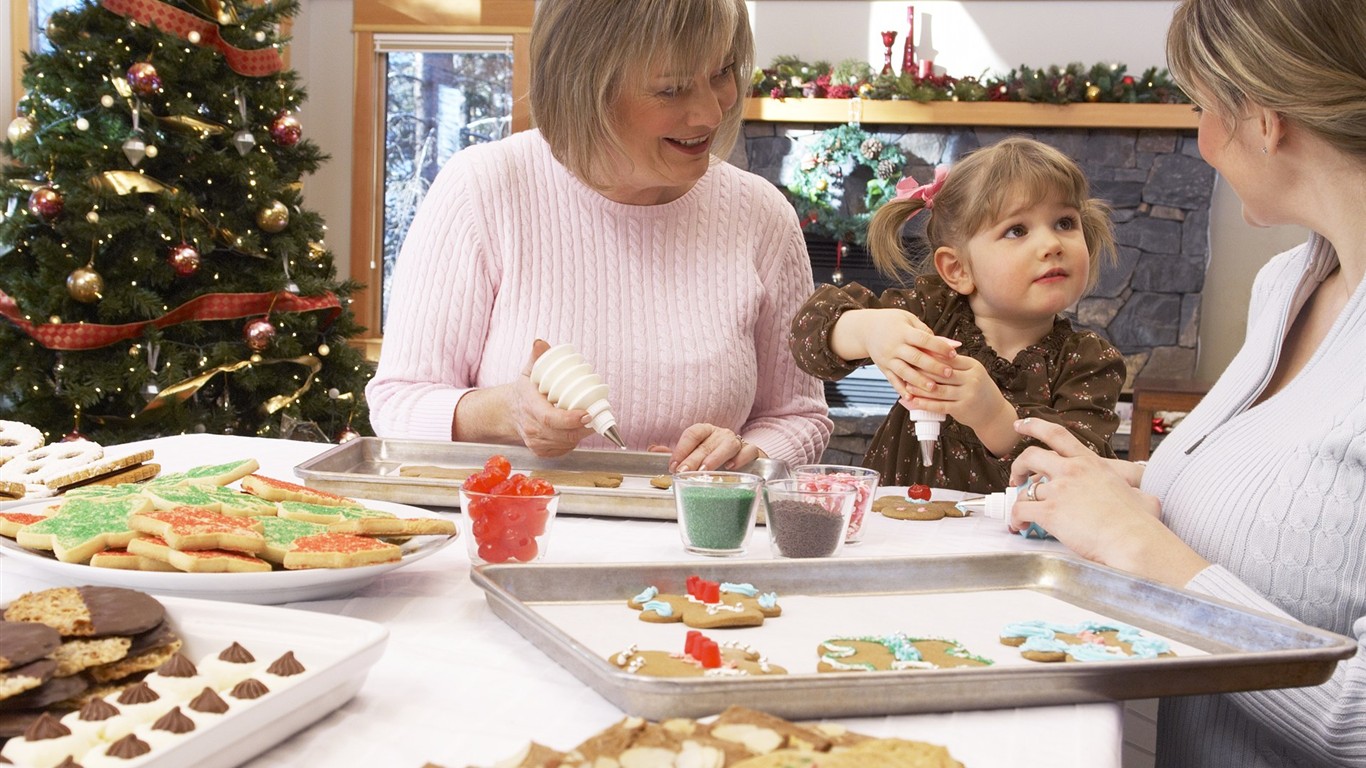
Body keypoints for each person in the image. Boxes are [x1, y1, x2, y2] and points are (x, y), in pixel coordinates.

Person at [1007, 0, 1366, 764]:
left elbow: (1356, 719)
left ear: (1264, 117)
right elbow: (1301, 498)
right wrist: (1113, 480)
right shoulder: (1290, 283)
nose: (1201, 141)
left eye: (1204, 109)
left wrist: (1138, 544)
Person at [365, 0, 831, 472]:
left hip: (698, 542)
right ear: (583, 88)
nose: (711, 112)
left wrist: (751, 456)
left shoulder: (761, 215)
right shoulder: (484, 188)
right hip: (516, 535)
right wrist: (507, 412)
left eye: (722, 72)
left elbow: (799, 416)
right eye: (671, 89)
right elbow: (398, 402)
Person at [789, 137, 1125, 492]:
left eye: (1065, 223)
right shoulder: (932, 313)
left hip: (1014, 542)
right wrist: (868, 331)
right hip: (902, 529)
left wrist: (995, 417)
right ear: (958, 269)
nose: (1052, 244)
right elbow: (806, 336)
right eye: (1017, 230)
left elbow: (1082, 474)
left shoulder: (1089, 361)